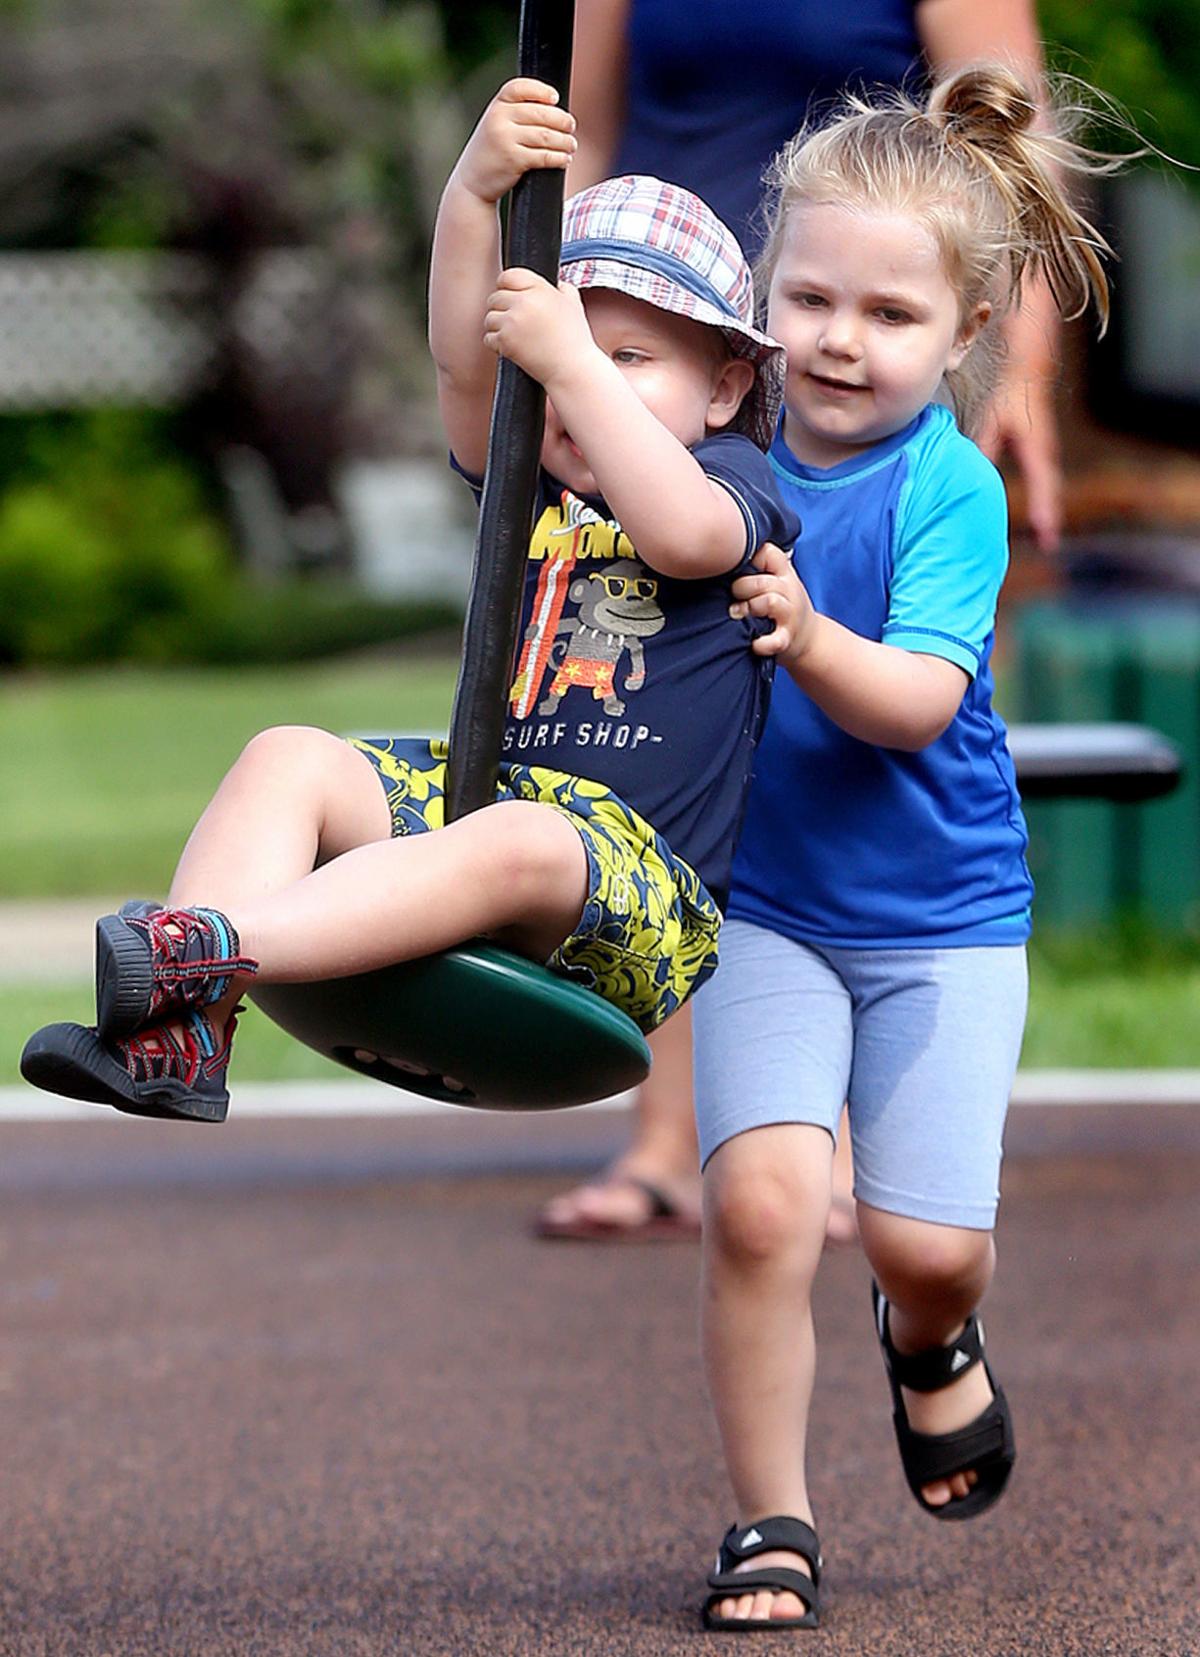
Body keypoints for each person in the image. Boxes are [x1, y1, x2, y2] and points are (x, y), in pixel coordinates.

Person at [19, 79, 799, 1123]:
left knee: (519, 838)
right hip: (496, 806)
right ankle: (187, 1030)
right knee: (287, 756)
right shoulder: (529, 477)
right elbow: (461, 364)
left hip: (642, 893)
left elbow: (680, 535)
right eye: (575, 351)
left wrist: (567, 356)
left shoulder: (726, 484)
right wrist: (473, 194)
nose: (586, 386)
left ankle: (213, 947)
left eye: (631, 360)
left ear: (722, 392)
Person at [693, 65, 1114, 1630]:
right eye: (806, 296)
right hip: (768, 904)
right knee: (761, 1207)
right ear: (766, 291)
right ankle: (770, 1520)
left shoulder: (950, 487)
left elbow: (918, 704)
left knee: (928, 1246)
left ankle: (928, 1336)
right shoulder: (721, 444)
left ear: (962, 339)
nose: (836, 339)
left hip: (941, 914)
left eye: (886, 315)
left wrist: (802, 632)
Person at [537, 0, 1061, 1243]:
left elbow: (1015, 134)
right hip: (695, 362)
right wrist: (570, 353)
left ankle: (822, 1124)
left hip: (877, 327)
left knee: (838, 716)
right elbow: (592, 133)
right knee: (661, 743)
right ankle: (687, 1132)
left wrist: (1018, 376)